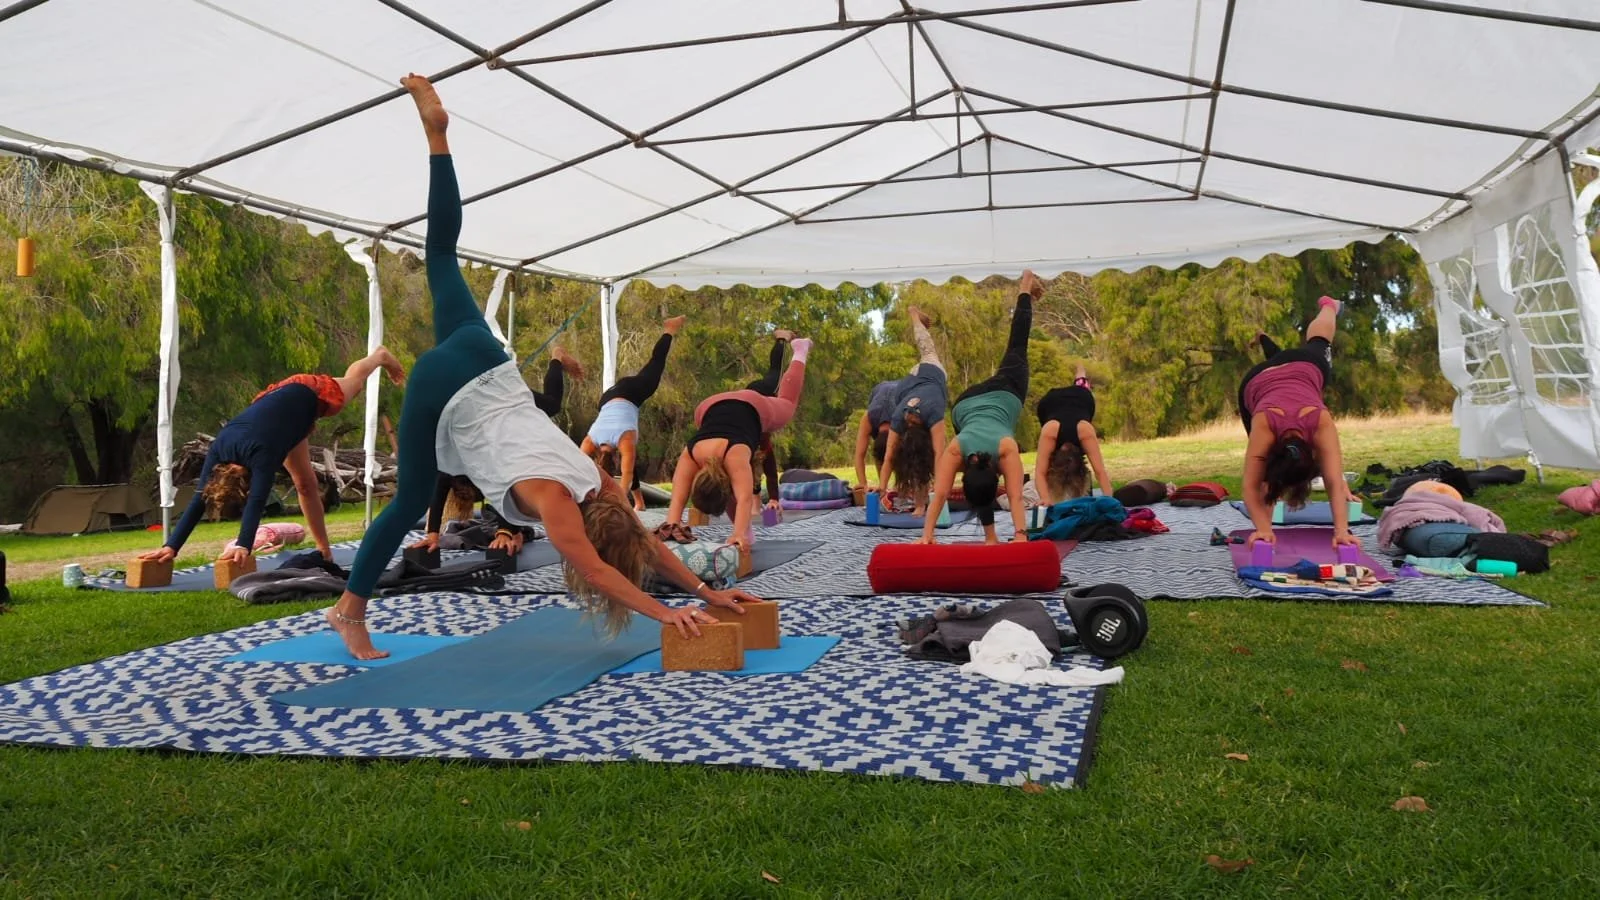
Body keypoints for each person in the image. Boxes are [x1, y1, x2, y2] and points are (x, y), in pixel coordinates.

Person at [326, 74, 757, 660]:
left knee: (443, 255)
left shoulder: (598, 482)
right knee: (407, 503)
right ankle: (348, 611)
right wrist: (670, 612)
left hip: (485, 356)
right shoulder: (559, 502)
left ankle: (437, 139)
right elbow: (603, 573)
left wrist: (706, 594)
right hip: (447, 387)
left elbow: (647, 545)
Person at [137, 348, 406, 569]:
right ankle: (325, 551)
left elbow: (256, 501)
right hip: (283, 416)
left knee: (354, 383)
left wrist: (244, 544)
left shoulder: (261, 456)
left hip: (306, 391)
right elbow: (199, 500)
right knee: (304, 484)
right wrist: (171, 547)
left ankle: (379, 356)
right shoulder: (219, 453)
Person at [411, 347, 583, 555]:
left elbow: (506, 486)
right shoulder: (453, 463)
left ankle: (557, 356)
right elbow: (438, 496)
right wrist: (432, 535)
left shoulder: (476, 457)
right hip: (489, 403)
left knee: (552, 405)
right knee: (549, 408)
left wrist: (505, 532)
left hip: (498, 396)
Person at [918, 272, 1042, 546]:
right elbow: (1014, 497)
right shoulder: (960, 449)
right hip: (964, 405)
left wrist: (927, 536)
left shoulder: (1004, 449)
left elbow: (941, 494)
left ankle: (1025, 286)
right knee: (1017, 344)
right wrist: (1020, 537)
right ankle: (991, 538)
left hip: (996, 394)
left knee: (1018, 344)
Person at [664, 330, 811, 548]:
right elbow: (676, 503)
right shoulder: (691, 453)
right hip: (707, 408)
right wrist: (671, 528)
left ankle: (800, 349)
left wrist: (738, 535)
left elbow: (744, 499)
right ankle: (746, 532)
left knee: (788, 403)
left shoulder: (734, 455)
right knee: (731, 485)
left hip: (749, 405)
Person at [1238, 295, 1357, 550]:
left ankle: (1329, 306)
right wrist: (1262, 529)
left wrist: (1342, 531)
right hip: (1264, 380)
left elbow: (1333, 480)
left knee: (1319, 341)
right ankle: (1329, 305)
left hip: (1277, 374)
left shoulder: (1314, 422)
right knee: (1317, 341)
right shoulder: (1317, 422)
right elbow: (1250, 486)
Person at [580, 316, 685, 511]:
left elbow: (626, 475)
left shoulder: (625, 439)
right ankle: (640, 502)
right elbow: (576, 464)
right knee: (630, 459)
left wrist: (618, 505)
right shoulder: (590, 440)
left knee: (656, 362)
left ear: (615, 459)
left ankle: (669, 329)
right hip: (606, 399)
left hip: (631, 393)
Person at [870, 306, 948, 517]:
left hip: (918, 378)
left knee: (927, 349)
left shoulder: (905, 416)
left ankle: (920, 505)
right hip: (916, 380)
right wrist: (882, 488)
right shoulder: (916, 415)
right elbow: (938, 454)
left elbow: (890, 457)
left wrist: (883, 487)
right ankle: (920, 506)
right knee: (927, 349)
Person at [1034, 364, 1113, 505]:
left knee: (1082, 387)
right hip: (1057, 400)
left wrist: (1110, 501)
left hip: (1070, 398)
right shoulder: (1081, 431)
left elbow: (1040, 472)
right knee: (1082, 387)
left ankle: (1080, 376)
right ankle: (1080, 375)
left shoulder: (1055, 431)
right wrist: (1045, 498)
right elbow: (1100, 471)